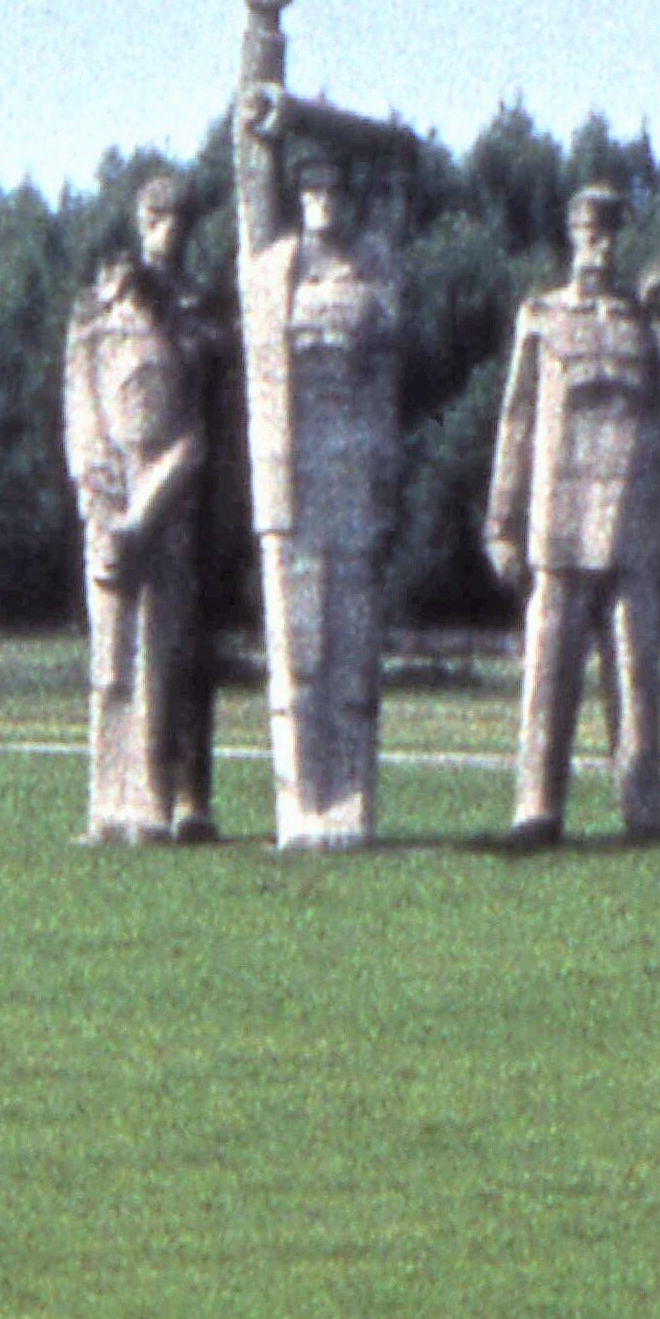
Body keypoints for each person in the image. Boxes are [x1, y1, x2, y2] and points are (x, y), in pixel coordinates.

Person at [482, 182, 660, 843]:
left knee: (637, 674)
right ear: (571, 234)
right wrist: (501, 522)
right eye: (588, 231)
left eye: (609, 232)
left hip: (631, 521)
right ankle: (536, 805)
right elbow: (516, 422)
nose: (599, 244)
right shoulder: (542, 316)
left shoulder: (643, 323)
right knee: (548, 674)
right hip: (560, 521)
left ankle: (643, 808)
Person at [233, 80, 406, 847]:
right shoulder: (269, 265)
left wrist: (308, 116)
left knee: (352, 646)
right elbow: (248, 143)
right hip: (291, 471)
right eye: (310, 189)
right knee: (299, 647)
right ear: (296, 195)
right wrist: (273, 87)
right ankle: (303, 803)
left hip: (355, 470)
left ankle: (350, 802)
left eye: (335, 189)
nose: (323, 201)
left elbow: (402, 151)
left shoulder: (375, 266)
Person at [61, 171, 227, 843]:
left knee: (176, 653)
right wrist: (100, 494)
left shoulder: (197, 309)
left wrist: (158, 498)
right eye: (157, 218)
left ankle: (179, 795)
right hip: (116, 491)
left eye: (178, 219)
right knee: (115, 657)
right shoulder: (95, 311)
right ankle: (115, 799)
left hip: (184, 493)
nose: (168, 230)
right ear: (140, 219)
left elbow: (204, 418)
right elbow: (82, 407)